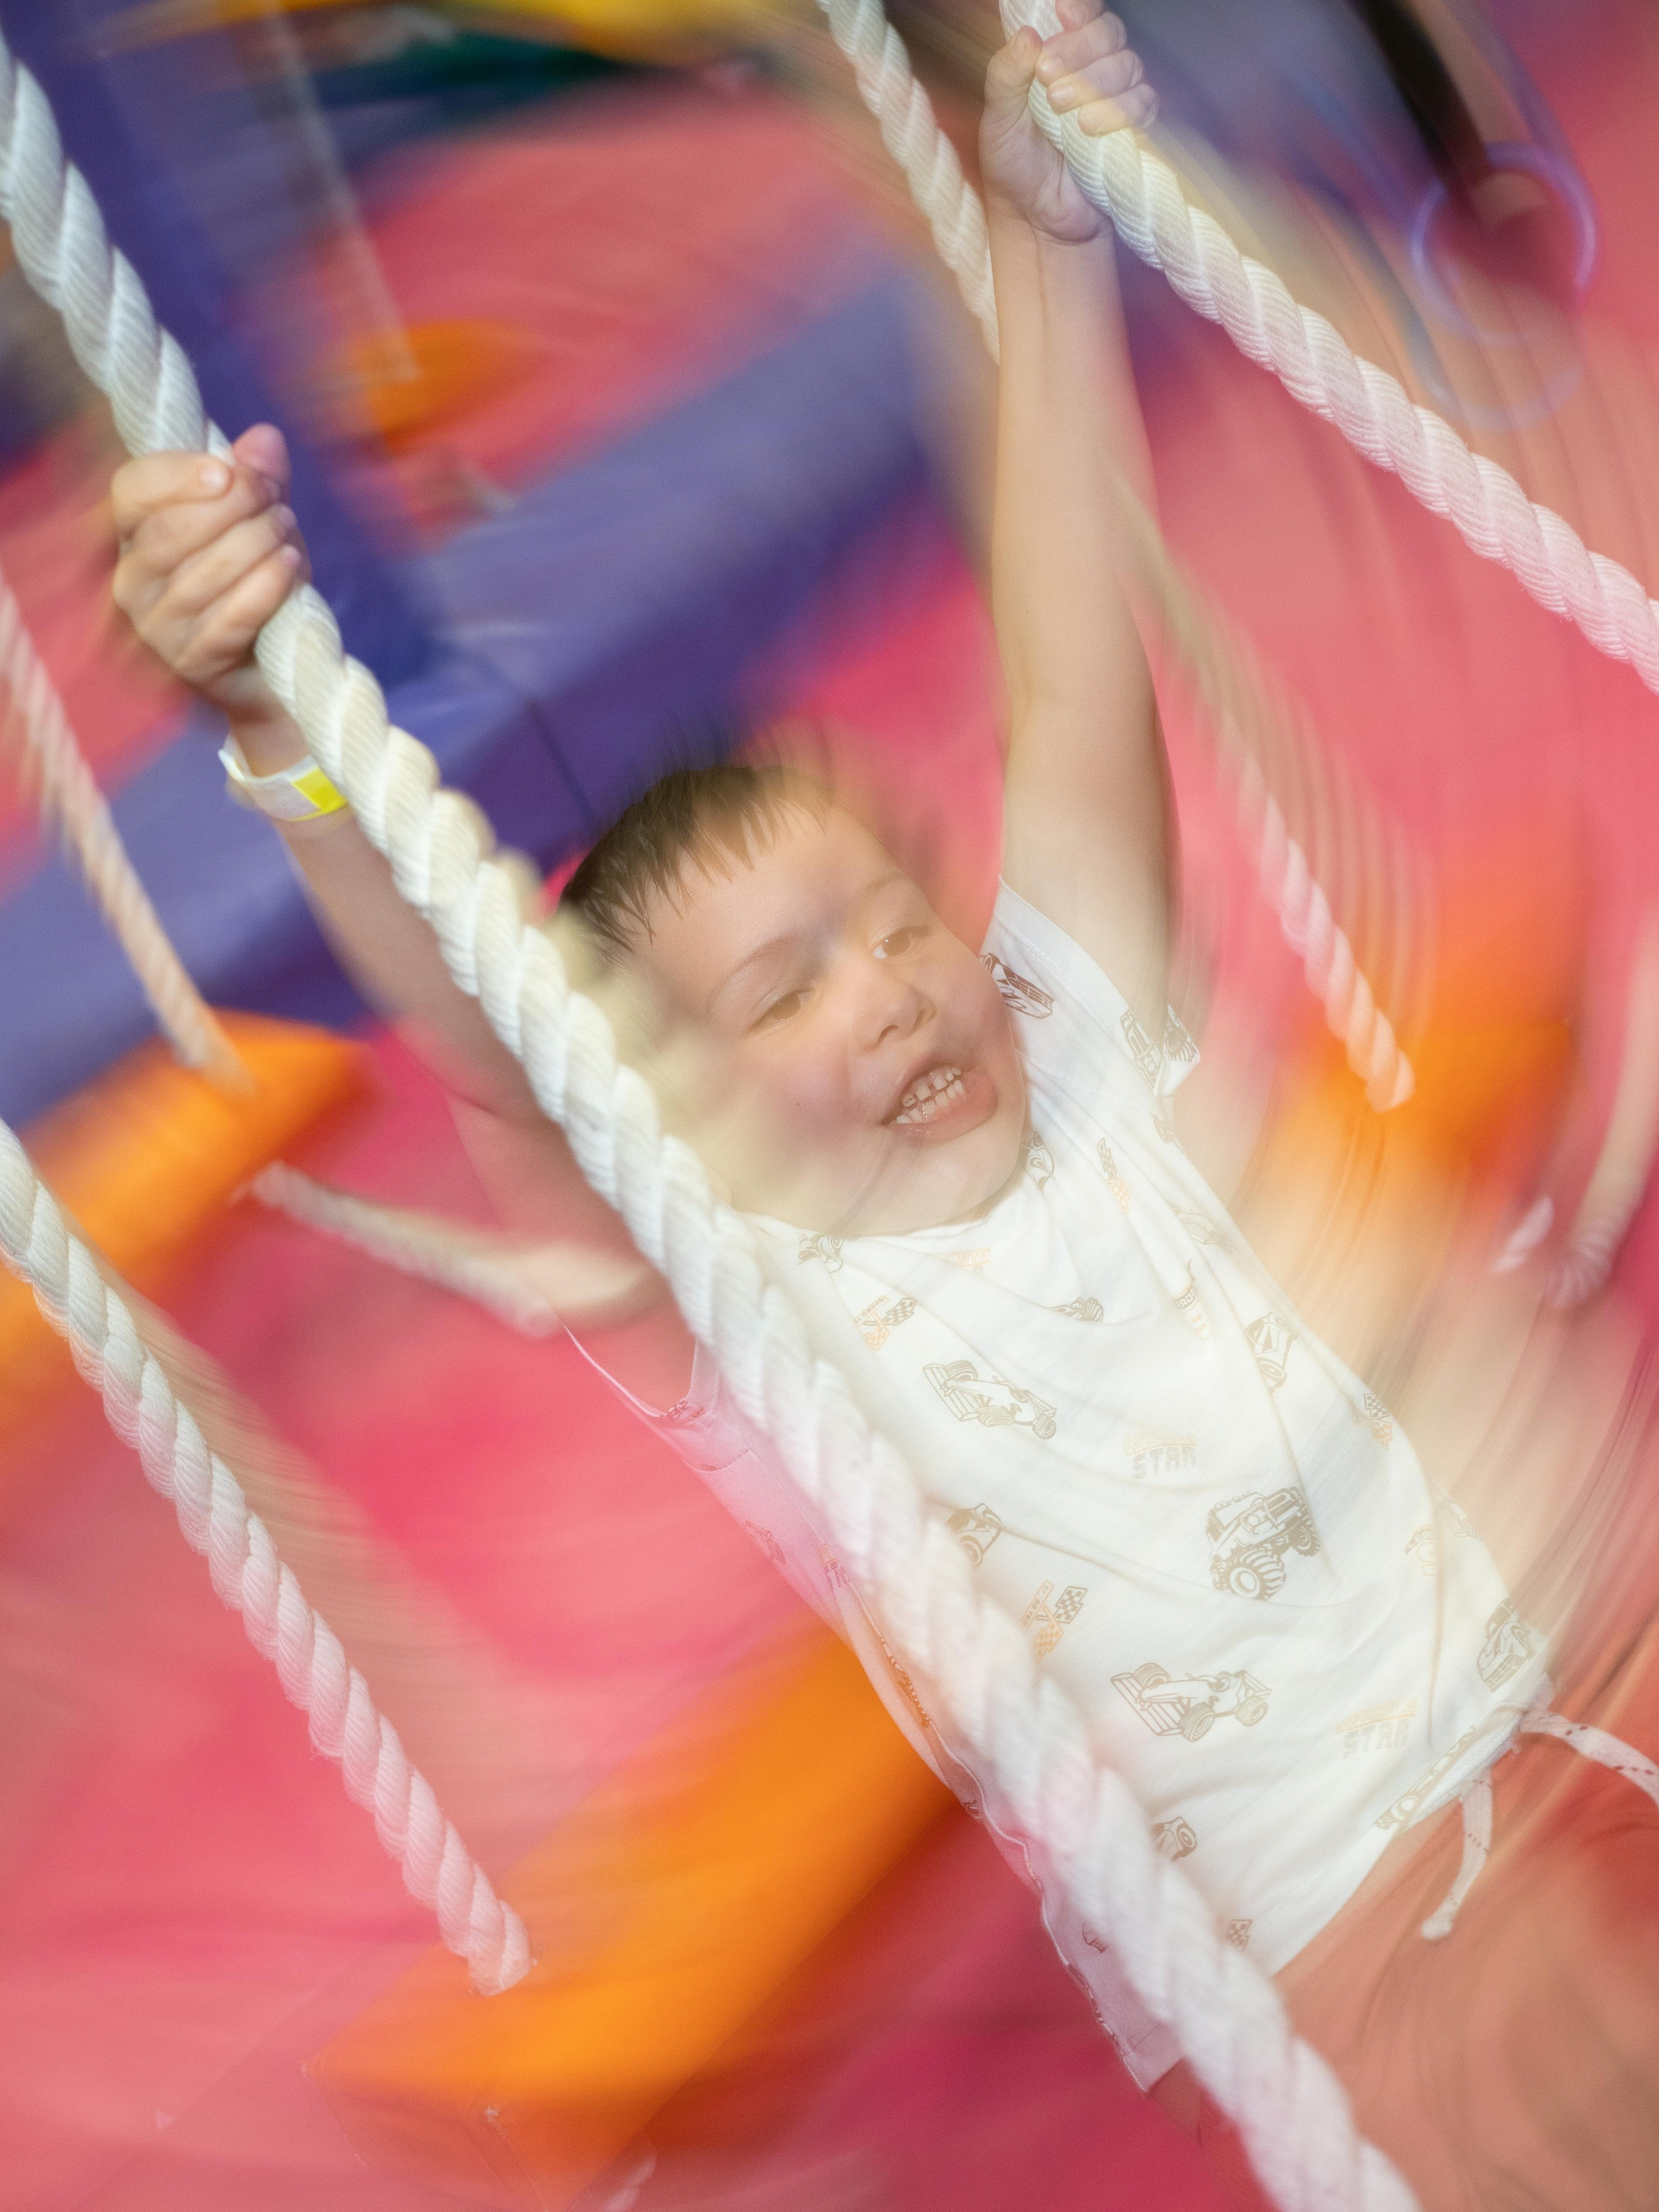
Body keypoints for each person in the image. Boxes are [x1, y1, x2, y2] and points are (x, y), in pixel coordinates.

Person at [106, 5, 1659, 2201]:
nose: (900, 977)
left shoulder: (1089, 1022)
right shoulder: (772, 1307)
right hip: (1382, 1909)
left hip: (1603, 1622)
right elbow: (484, 1035)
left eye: (893, 914)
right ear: (688, 1107)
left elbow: (1057, 629)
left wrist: (1032, 237)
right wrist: (274, 721)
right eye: (786, 989)